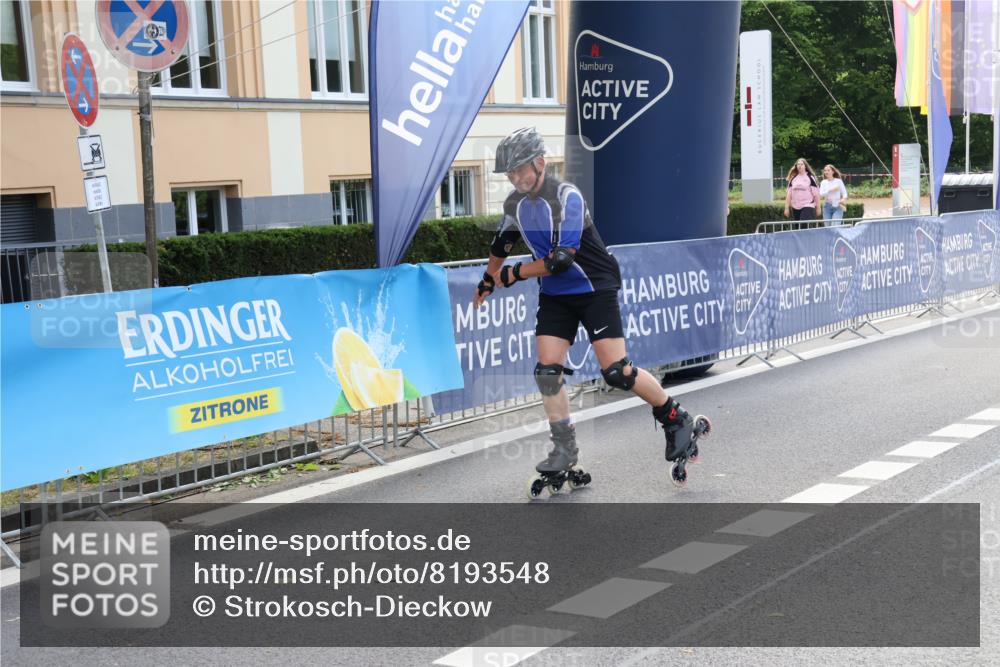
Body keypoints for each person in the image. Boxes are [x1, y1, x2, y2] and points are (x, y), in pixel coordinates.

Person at [473, 128, 698, 488]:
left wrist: (513, 274)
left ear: (540, 163)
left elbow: (561, 259)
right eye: (510, 174)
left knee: (617, 373)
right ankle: (564, 449)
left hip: (594, 287)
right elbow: (502, 242)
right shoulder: (514, 204)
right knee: (547, 372)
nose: (515, 179)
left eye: (520, 170)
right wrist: (488, 279)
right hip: (556, 295)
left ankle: (675, 417)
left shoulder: (567, 197)